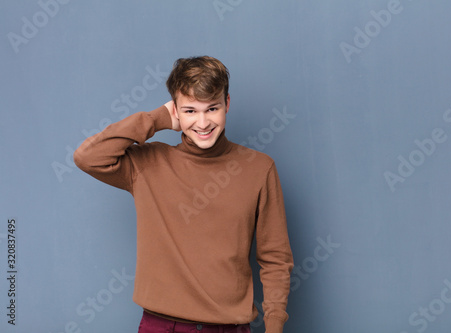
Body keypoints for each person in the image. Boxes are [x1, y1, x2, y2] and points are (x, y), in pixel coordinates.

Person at [74, 56, 294, 333]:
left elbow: (275, 258)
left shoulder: (259, 168)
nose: (202, 123)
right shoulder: (147, 164)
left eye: (212, 108)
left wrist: (274, 326)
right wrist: (157, 119)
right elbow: (87, 157)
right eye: (190, 111)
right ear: (175, 111)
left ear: (227, 104)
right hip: (161, 325)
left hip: (229, 327)